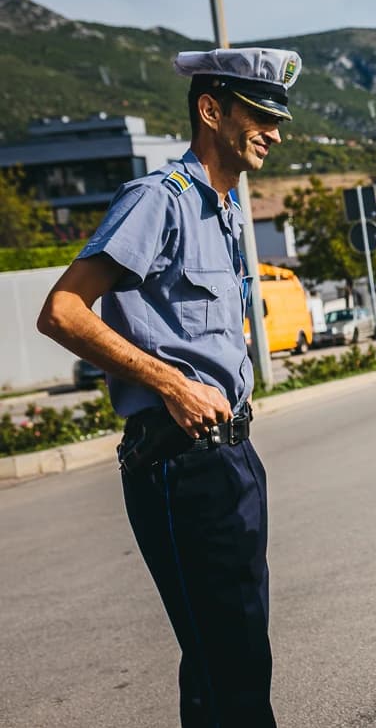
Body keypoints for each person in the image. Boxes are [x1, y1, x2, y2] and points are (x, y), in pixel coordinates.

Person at [36, 47, 301, 727]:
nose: (275, 133)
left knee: (232, 659)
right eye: (262, 116)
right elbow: (63, 310)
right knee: (231, 666)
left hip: (229, 456)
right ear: (211, 110)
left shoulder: (223, 210)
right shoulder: (159, 200)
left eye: (279, 119)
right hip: (183, 461)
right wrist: (173, 384)